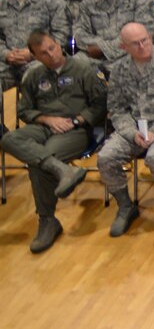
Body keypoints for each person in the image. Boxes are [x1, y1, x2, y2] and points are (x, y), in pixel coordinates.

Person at [1, 31, 105, 252]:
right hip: (44, 126)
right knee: (9, 138)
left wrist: (76, 121)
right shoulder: (34, 75)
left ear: (58, 44)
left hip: (74, 129)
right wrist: (47, 119)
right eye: (43, 53)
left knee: (39, 162)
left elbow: (100, 105)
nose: (51, 54)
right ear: (35, 56)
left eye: (52, 48)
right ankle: (61, 170)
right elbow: (24, 110)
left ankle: (47, 220)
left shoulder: (83, 70)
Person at [99, 21, 154, 238]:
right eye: (135, 43)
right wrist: (132, 133)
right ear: (123, 47)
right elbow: (117, 109)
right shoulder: (119, 70)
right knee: (106, 157)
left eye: (145, 40)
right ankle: (125, 206)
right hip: (133, 128)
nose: (142, 46)